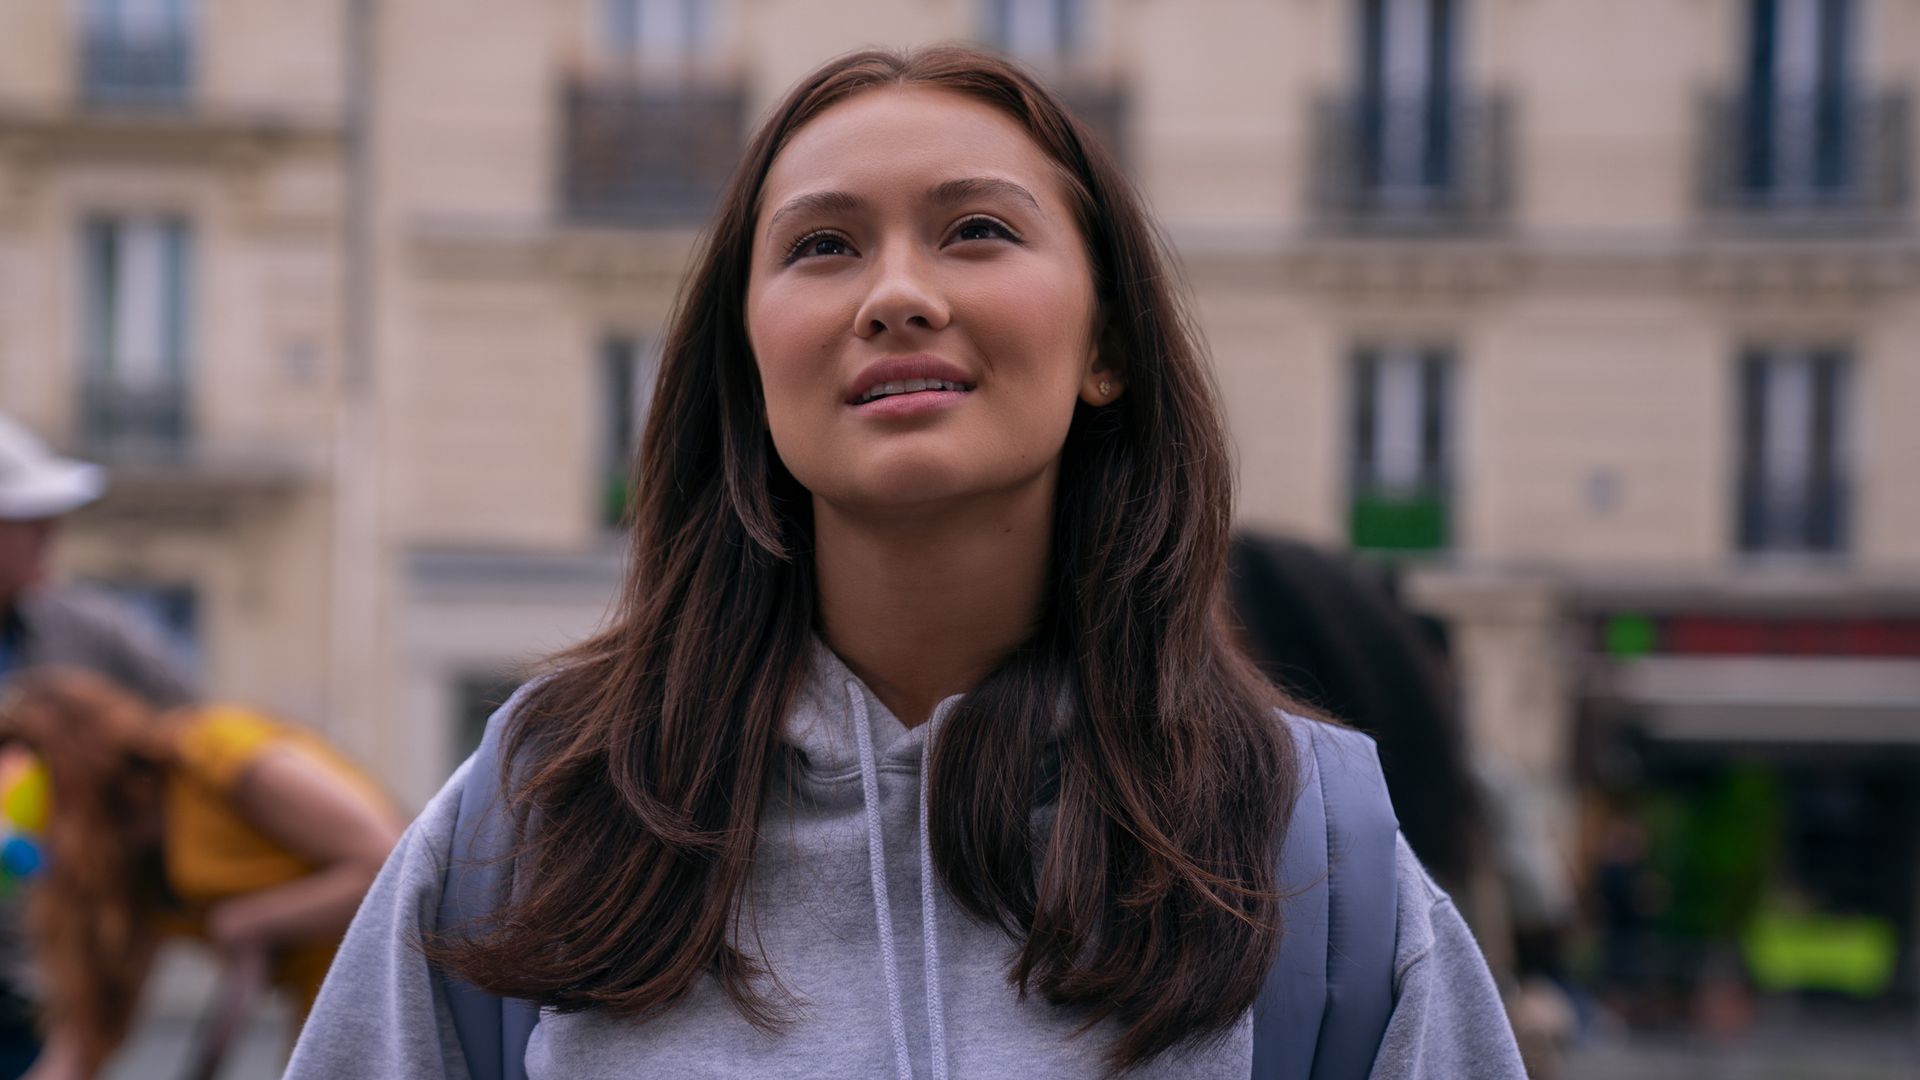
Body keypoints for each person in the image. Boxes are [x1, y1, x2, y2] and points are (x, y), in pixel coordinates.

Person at [288, 46, 1526, 1078]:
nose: (895, 293)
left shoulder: (1308, 849)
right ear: (750, 365)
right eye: (821, 247)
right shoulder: (535, 817)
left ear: (1109, 348)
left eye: (977, 230)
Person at [0, 670, 403, 1079]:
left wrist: (253, 919)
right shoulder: (123, 874)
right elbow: (82, 1047)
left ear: (76, 769)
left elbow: (390, 865)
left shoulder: (216, 751)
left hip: (410, 991)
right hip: (336, 1024)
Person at [0, 413, 199, 1077]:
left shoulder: (89, 630)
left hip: (44, 976)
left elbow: (190, 740)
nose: (49, 536)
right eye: (26, 519)